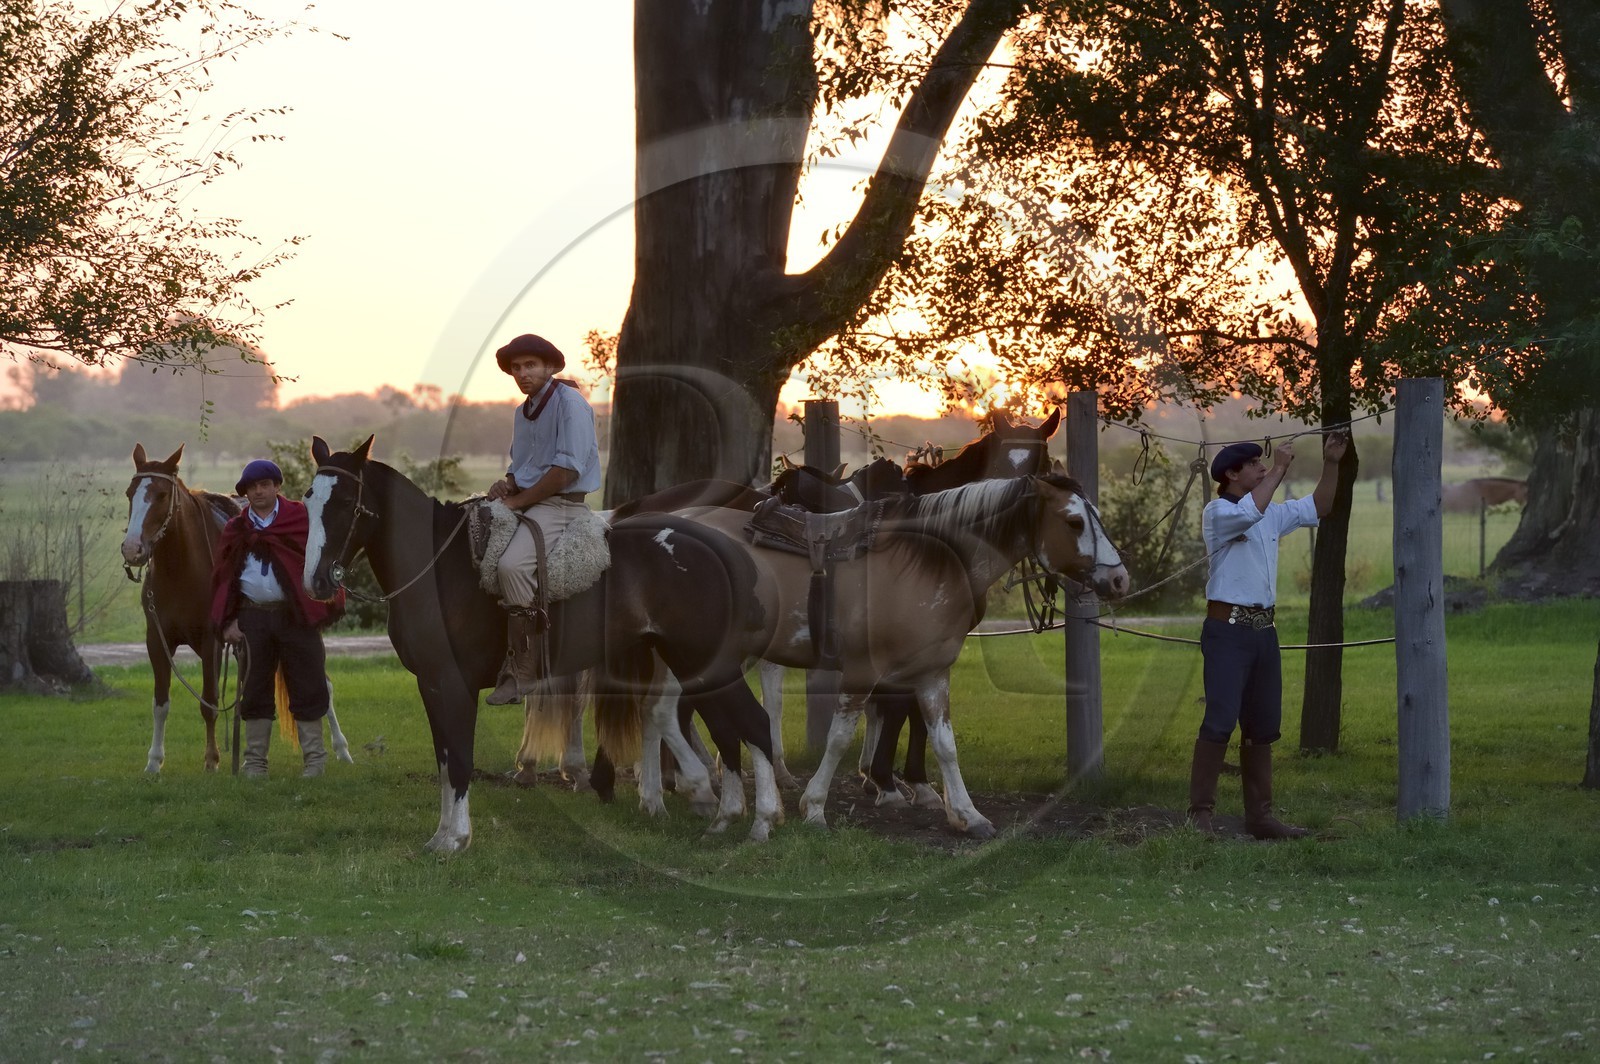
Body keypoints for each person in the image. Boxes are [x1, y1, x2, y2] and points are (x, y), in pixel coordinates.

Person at [1188, 430, 1350, 839]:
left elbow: (1321, 505)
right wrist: (1279, 467)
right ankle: (1200, 814)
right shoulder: (1218, 512)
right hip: (1226, 632)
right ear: (1232, 473)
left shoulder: (1270, 513)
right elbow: (1248, 513)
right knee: (1221, 718)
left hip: (1263, 633)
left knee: (1262, 725)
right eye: (1255, 465)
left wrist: (1331, 462)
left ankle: (1260, 818)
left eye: (1265, 463)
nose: (1263, 468)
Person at [483, 333, 602, 705]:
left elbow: (565, 472)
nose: (522, 373)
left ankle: (524, 671)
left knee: (512, 568)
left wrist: (518, 503)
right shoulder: (523, 411)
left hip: (561, 505)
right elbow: (522, 466)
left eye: (530, 365)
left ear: (549, 367)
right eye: (516, 368)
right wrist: (506, 485)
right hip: (532, 500)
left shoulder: (571, 405)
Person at [210, 459, 344, 778]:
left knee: (308, 683)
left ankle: (315, 760)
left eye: (265, 485)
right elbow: (224, 577)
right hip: (252, 619)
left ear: (276, 487)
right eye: (252, 487)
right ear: (245, 492)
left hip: (296, 617)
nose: (258, 491)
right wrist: (228, 621)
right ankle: (255, 762)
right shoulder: (237, 529)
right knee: (254, 688)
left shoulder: (301, 518)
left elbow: (322, 558)